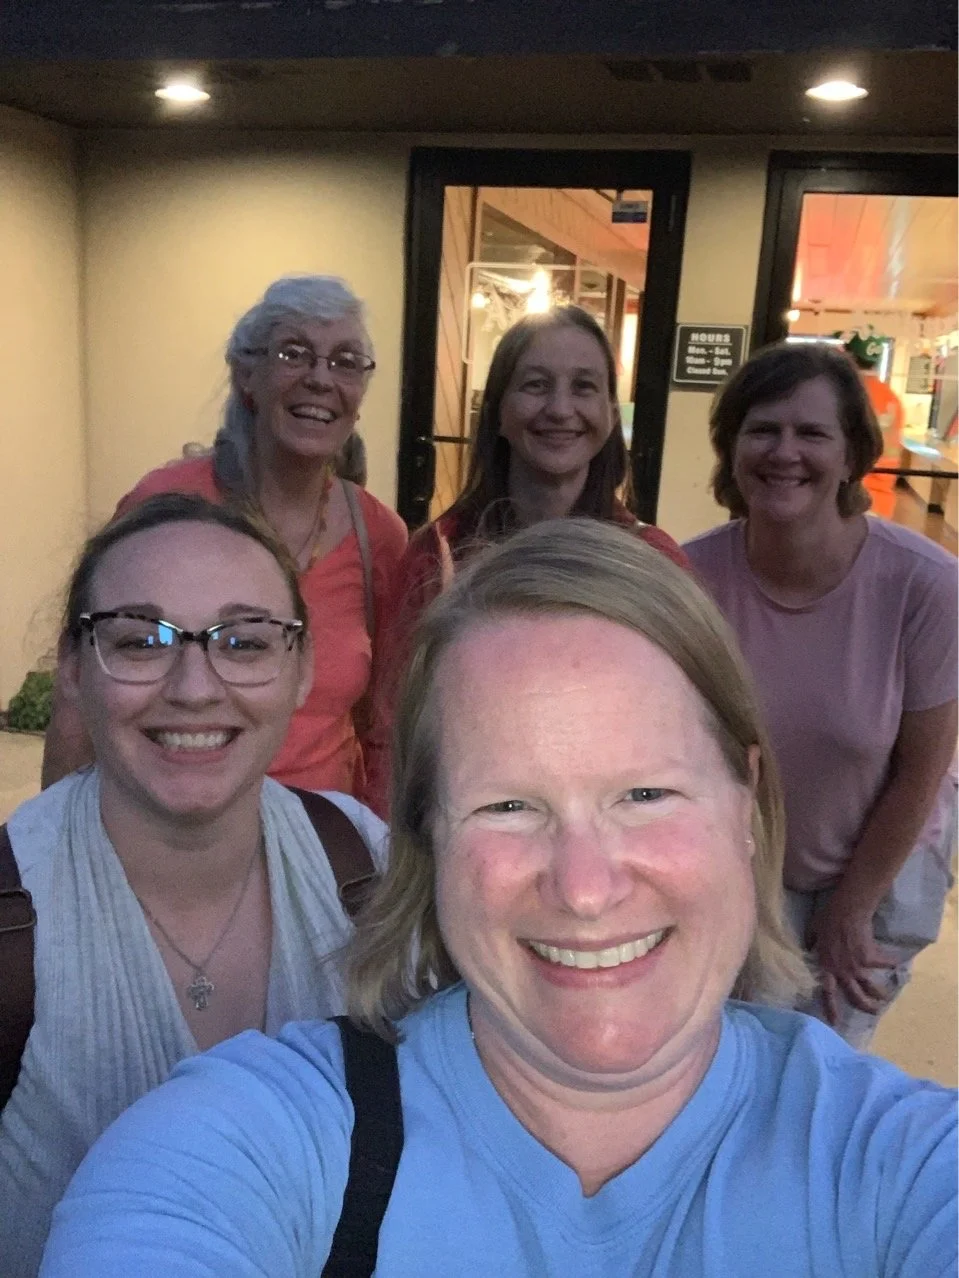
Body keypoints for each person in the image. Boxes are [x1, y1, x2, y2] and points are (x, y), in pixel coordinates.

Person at [41, 520, 956, 1277]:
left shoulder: (903, 1167)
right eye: (509, 806)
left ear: (744, 805)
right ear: (428, 837)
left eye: (645, 794)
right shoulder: (247, 1141)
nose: (585, 889)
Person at [1, 494, 388, 1278]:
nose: (194, 688)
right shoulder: (15, 921)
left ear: (302, 668)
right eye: (139, 641)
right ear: (72, 668)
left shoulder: (367, 868)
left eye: (243, 642)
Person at [41, 275, 408, 814]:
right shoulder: (163, 504)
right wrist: (58, 838)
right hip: (168, 829)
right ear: (246, 375)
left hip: (319, 841)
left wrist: (375, 846)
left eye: (346, 361)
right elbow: (83, 692)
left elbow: (384, 727)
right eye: (293, 353)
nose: (320, 378)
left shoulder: (379, 536)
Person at [684, 341, 958, 1048]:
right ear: (730, 448)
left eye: (811, 432)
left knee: (816, 1062)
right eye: (762, 430)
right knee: (733, 1050)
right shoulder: (689, 577)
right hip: (742, 867)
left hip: (880, 864)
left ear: (850, 455)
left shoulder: (924, 586)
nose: (785, 452)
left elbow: (923, 770)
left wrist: (852, 908)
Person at [372, 303, 687, 811]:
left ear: (611, 413)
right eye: (536, 385)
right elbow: (390, 730)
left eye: (584, 387)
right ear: (498, 411)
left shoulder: (652, 561)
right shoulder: (437, 556)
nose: (560, 409)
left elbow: (684, 726)